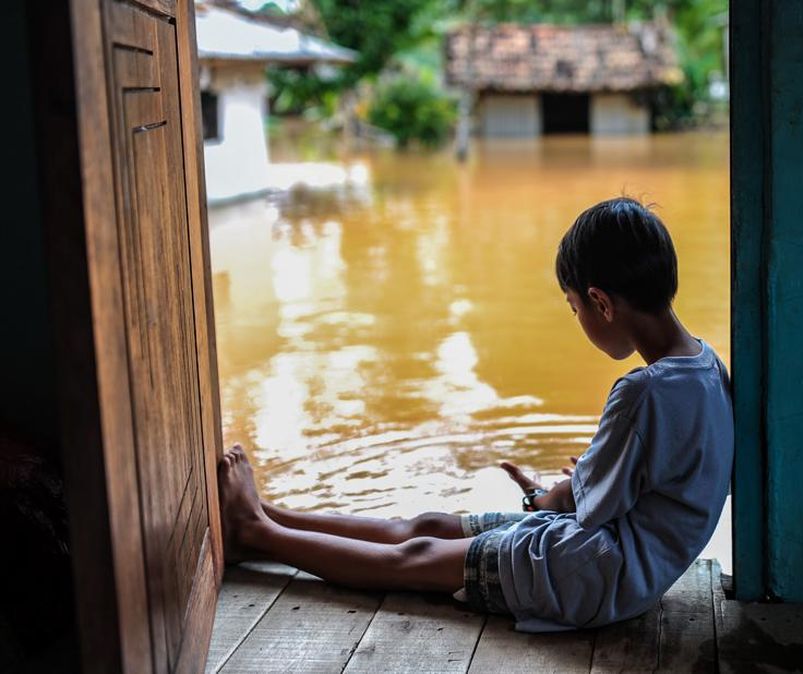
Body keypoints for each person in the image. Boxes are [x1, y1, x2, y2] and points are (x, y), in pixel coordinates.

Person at [218, 196, 734, 631]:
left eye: (574, 308)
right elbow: (641, 484)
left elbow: (581, 504)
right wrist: (577, 486)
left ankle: (256, 534)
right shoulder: (708, 366)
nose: (579, 319)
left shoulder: (643, 392)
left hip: (596, 574)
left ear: (600, 302)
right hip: (610, 553)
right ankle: (269, 515)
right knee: (429, 525)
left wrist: (543, 493)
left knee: (415, 557)